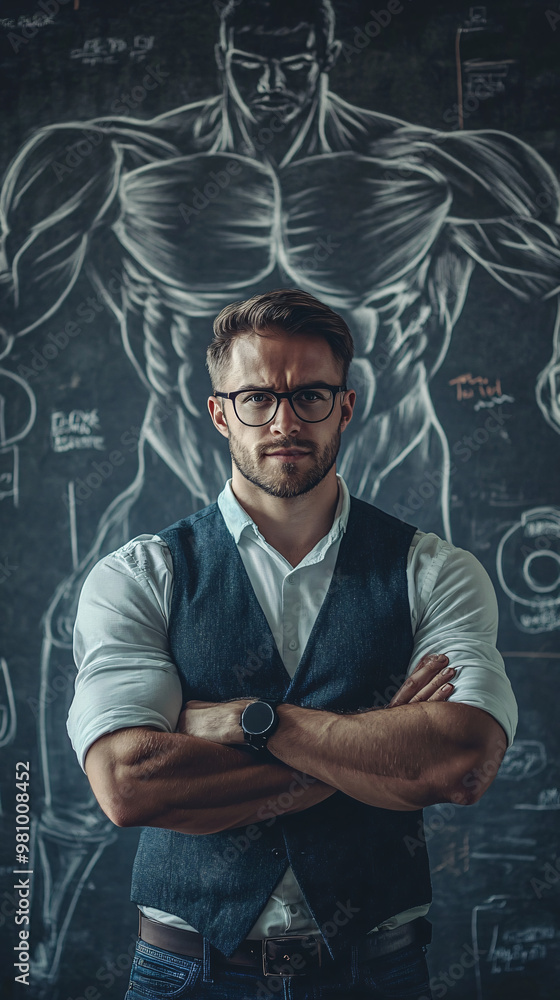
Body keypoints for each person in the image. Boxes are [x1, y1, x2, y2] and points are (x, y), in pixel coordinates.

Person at [67, 288, 518, 1000]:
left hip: (379, 970)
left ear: (346, 405)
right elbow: (128, 783)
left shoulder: (433, 571)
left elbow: (459, 763)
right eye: (256, 398)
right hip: (186, 972)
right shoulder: (140, 576)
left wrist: (254, 721)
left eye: (311, 395)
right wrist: (379, 749)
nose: (284, 421)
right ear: (220, 412)